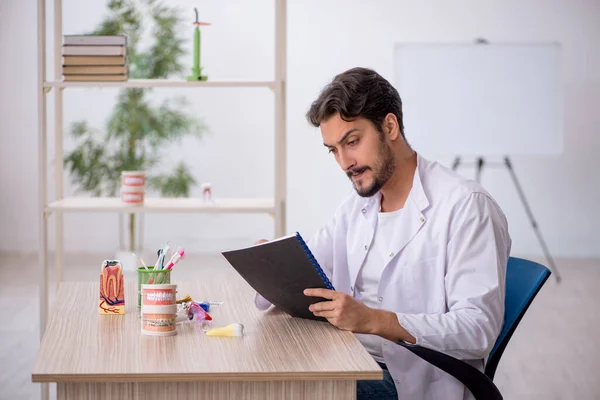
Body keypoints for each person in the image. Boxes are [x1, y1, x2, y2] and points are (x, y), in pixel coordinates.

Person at [254, 67, 511, 400]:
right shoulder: (358, 204)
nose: (345, 162)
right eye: (333, 149)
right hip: (351, 359)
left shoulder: (466, 206)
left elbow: (478, 329)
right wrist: (270, 258)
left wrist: (375, 320)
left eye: (353, 141)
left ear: (389, 126)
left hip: (412, 381)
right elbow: (311, 259)